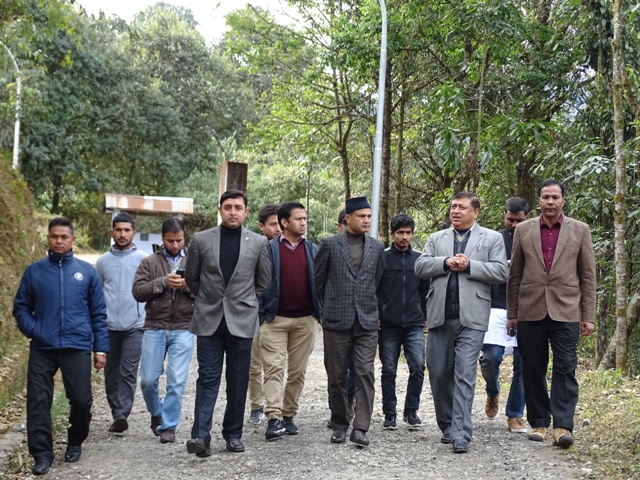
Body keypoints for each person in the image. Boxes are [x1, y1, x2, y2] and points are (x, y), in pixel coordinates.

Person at [13, 217, 109, 476]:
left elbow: (99, 313)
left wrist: (100, 349)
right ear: (48, 238)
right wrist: (36, 330)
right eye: (54, 236)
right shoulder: (34, 272)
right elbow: (21, 308)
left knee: (81, 400)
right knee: (38, 401)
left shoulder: (86, 272)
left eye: (64, 237)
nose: (59, 241)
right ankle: (42, 455)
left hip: (77, 345)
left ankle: (75, 441)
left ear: (73, 240)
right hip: (43, 348)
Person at [414, 192, 508, 454]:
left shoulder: (492, 238)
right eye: (453, 206)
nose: (455, 211)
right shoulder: (437, 238)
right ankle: (447, 425)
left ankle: (461, 433)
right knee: (439, 372)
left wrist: (469, 266)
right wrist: (445, 262)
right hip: (440, 315)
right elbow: (420, 267)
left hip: (473, 317)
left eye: (462, 207)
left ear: (475, 212)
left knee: (465, 374)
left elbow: (501, 271)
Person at [507, 179, 596, 448]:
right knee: (533, 368)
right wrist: (512, 313)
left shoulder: (580, 230)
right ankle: (539, 423)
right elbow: (515, 275)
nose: (550, 202)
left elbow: (587, 275)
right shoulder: (523, 230)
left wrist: (588, 315)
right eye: (545, 197)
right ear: (538, 201)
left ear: (563, 200)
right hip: (530, 309)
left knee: (565, 367)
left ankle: (563, 426)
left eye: (555, 197)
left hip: (566, 309)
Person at [185, 189, 271, 456]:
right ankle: (200, 436)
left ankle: (233, 434)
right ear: (220, 210)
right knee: (207, 378)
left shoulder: (258, 242)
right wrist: (209, 299)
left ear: (246, 211)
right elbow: (191, 278)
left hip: (241, 321)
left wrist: (244, 301)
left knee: (238, 380)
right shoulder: (201, 239)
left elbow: (263, 282)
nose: (233, 212)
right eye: (228, 207)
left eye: (238, 207)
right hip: (209, 320)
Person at [315, 196, 385, 447]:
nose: (366, 220)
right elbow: (318, 282)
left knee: (365, 373)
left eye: (369, 216)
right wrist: (328, 309)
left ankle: (361, 428)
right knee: (336, 376)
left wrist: (370, 309)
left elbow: (377, 281)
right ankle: (339, 424)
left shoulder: (377, 247)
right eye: (361, 216)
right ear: (348, 218)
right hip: (336, 321)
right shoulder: (330, 244)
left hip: (366, 321)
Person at [260, 202, 322, 440]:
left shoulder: (313, 249)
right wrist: (261, 314)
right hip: (274, 320)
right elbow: (258, 281)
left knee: (297, 372)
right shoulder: (268, 249)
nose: (303, 222)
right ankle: (274, 418)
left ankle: (289, 414)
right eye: (298, 219)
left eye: (305, 218)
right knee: (274, 369)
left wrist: (319, 312)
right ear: (284, 222)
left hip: (305, 320)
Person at [132, 217, 194, 444]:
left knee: (176, 380)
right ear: (162, 239)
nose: (175, 245)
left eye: (179, 240)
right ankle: (156, 412)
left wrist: (188, 287)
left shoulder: (194, 261)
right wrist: (163, 282)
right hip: (154, 326)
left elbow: (209, 292)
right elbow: (138, 292)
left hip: (184, 327)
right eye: (170, 241)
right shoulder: (149, 262)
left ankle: (168, 426)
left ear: (185, 238)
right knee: (148, 379)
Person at [479, 198, 529, 433]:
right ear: (505, 217)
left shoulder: (533, 238)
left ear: (527, 217)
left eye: (519, 220)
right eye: (510, 220)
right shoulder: (494, 240)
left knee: (524, 363)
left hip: (527, 308)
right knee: (490, 357)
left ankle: (515, 414)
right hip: (496, 307)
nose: (514, 225)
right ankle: (492, 391)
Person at [95, 212, 147, 434]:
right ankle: (116, 411)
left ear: (134, 233)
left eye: (127, 230)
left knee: (128, 372)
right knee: (111, 374)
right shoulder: (102, 262)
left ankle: (122, 414)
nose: (122, 234)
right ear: (112, 232)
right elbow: (96, 295)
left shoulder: (143, 260)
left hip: (135, 326)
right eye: (118, 230)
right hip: (108, 328)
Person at [377, 214, 429, 430]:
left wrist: (426, 316)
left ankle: (411, 411)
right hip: (387, 324)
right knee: (389, 369)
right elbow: (374, 289)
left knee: (418, 366)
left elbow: (425, 291)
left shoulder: (419, 259)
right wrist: (376, 315)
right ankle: (389, 413)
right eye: (400, 233)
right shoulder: (382, 258)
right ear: (392, 234)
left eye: (408, 233)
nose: (404, 237)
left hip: (414, 324)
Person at [247, 204, 281, 426]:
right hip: (254, 315)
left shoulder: (286, 248)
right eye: (272, 224)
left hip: (278, 316)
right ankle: (256, 405)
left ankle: (274, 407)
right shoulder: (253, 248)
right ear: (262, 226)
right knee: (253, 365)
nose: (277, 229)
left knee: (275, 365)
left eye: (280, 224)